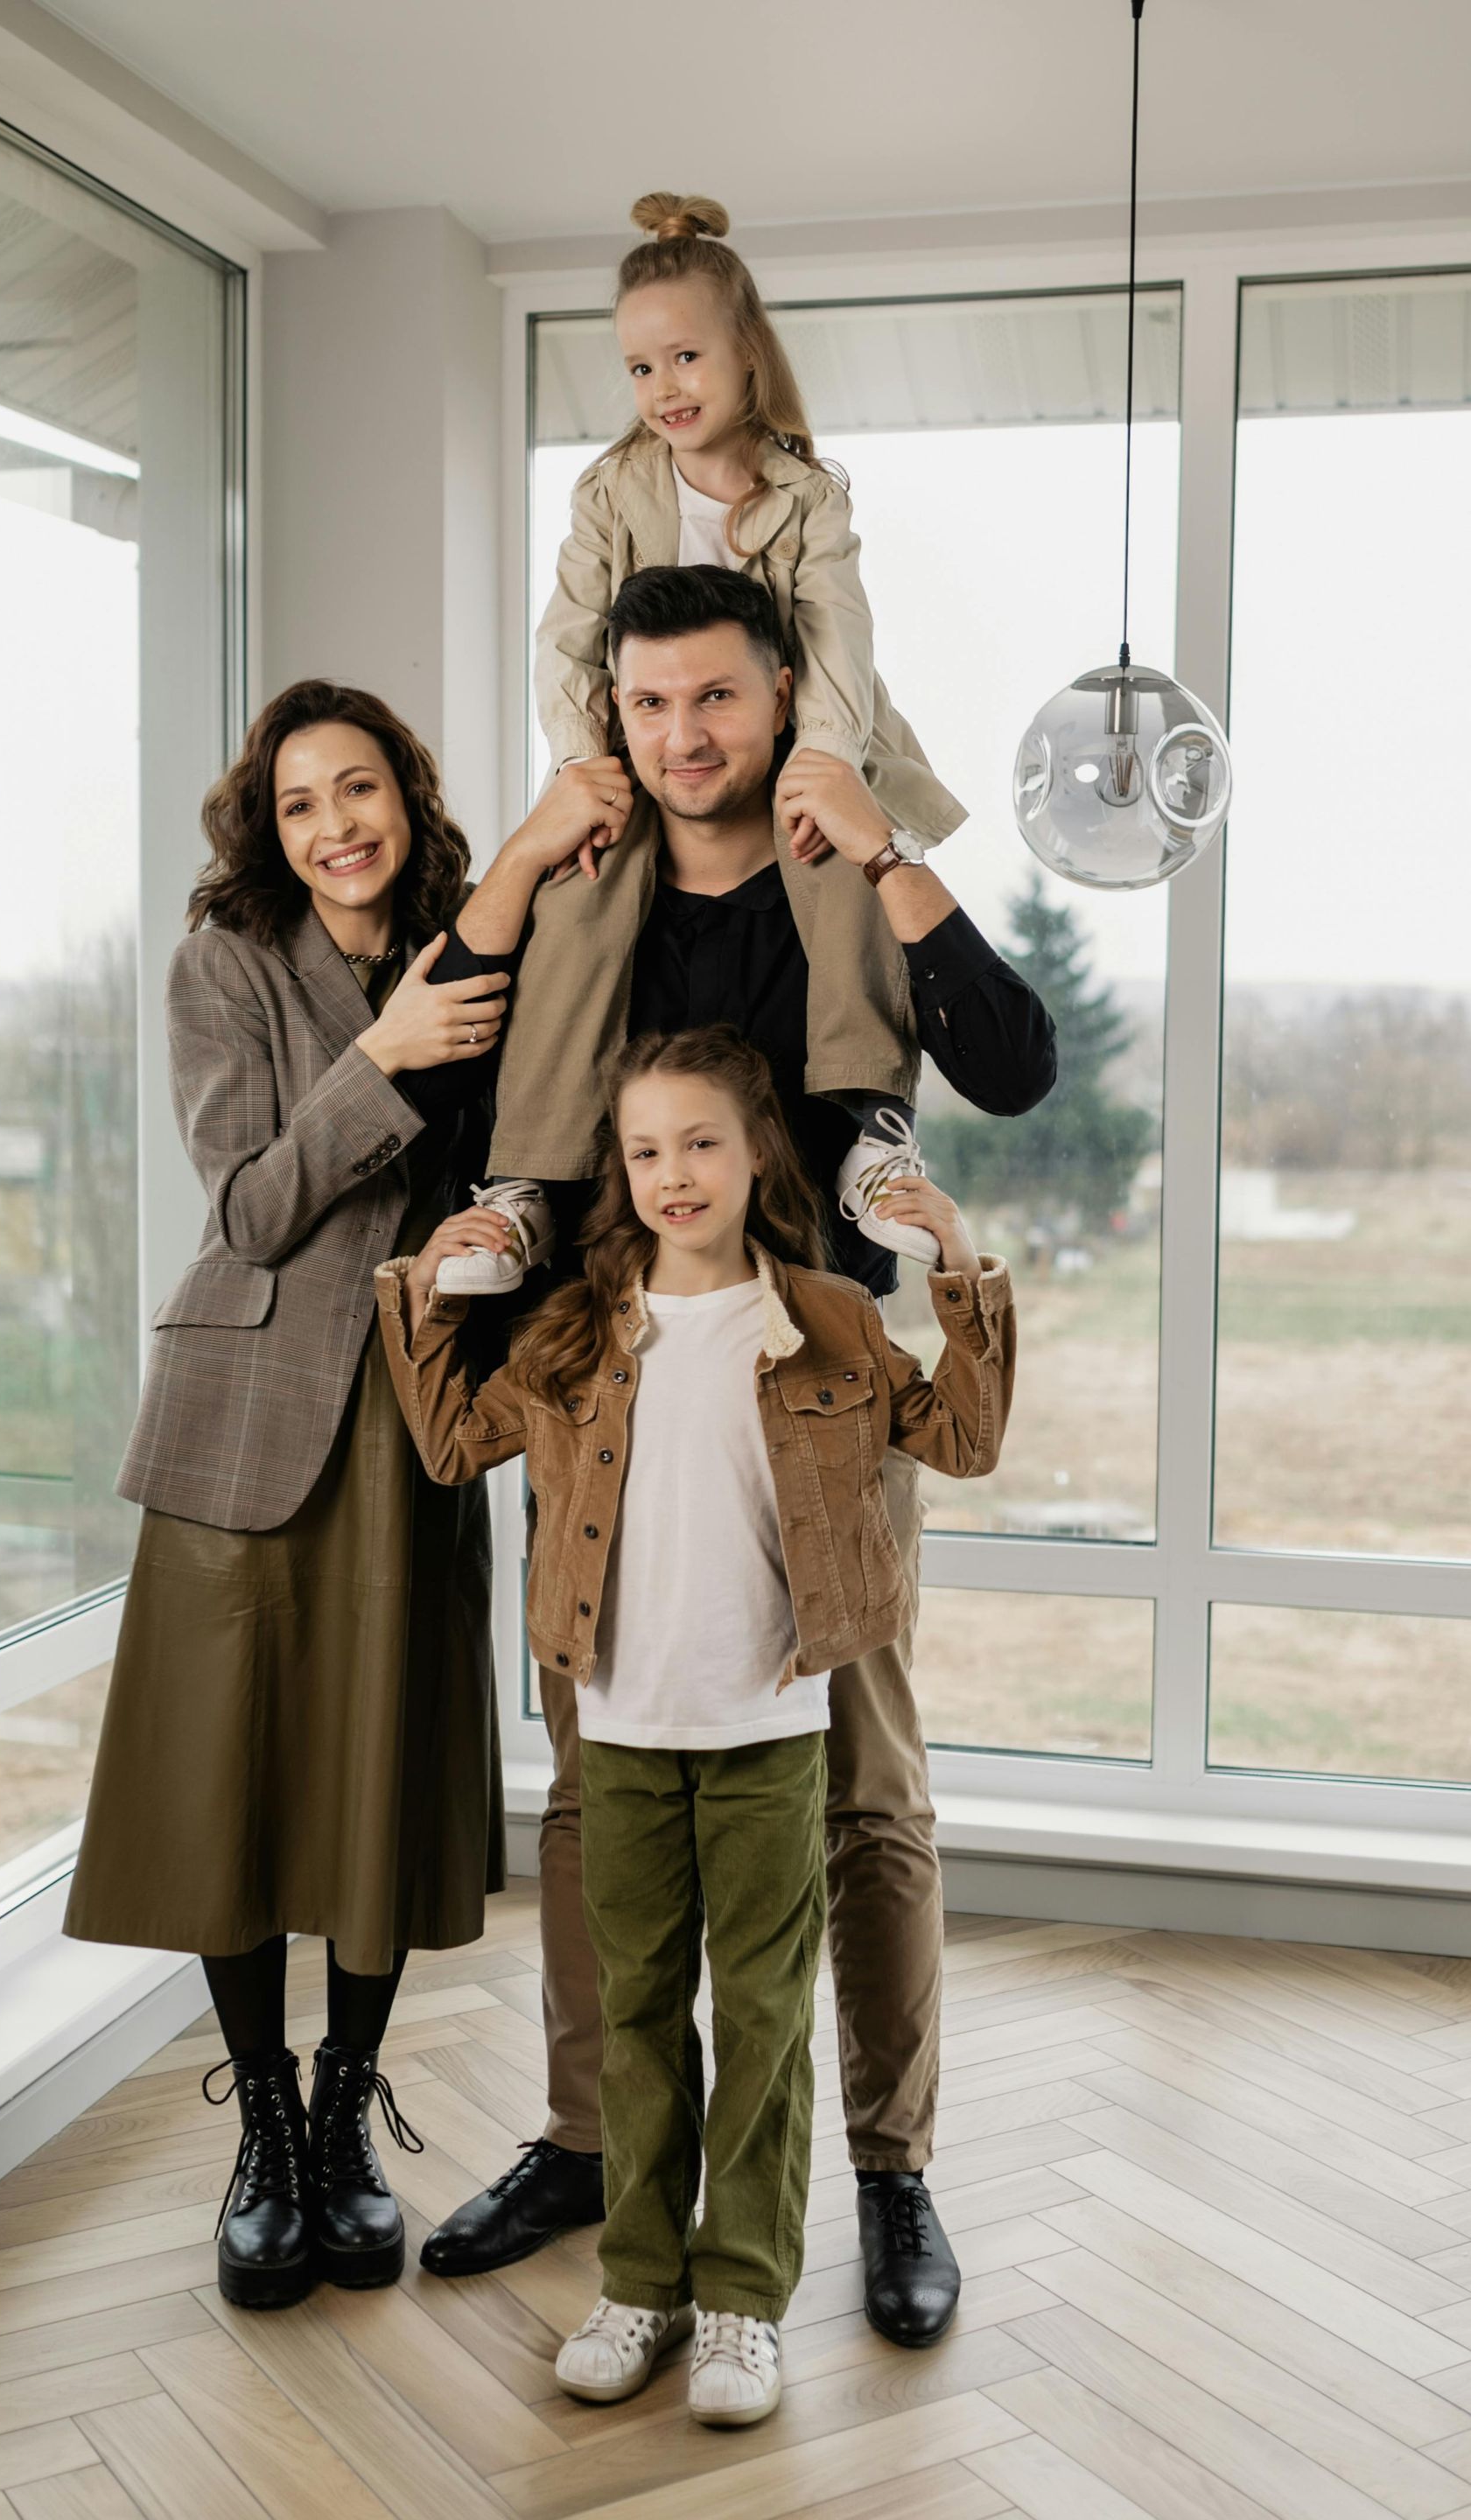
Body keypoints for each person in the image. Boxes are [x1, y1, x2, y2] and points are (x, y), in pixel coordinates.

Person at [415, 564, 1054, 2350]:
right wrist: (525, 858)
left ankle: (890, 2165)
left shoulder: (842, 875)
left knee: (865, 1796)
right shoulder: (576, 896)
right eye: (649, 706)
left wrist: (882, 843)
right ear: (610, 720)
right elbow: (442, 1097)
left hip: (817, 1393)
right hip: (611, 1380)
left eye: (717, 698)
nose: (683, 735)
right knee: (595, 1789)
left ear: (782, 698)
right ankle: (585, 2143)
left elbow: (1015, 1060)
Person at [62, 678, 626, 2309]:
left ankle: (343, 2120)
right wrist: (381, 1054)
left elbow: (528, 1169)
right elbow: (249, 1208)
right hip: (239, 1410)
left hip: (410, 1405)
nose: (336, 828)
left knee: (378, 1762)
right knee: (232, 1772)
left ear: (408, 797)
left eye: (360, 790)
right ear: (268, 823)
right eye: (302, 803)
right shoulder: (221, 965)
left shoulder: (490, 947)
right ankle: (261, 2137)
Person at [377, 1026, 1014, 2425]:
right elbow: (444, 1442)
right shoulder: (571, 1329)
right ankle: (641, 2284)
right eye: (646, 1149)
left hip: (767, 1730)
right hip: (617, 1729)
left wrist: (956, 1258)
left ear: (757, 1155)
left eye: (703, 1143)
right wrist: (428, 1282)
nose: (673, 1173)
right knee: (643, 2019)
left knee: (771, 2016)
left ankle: (740, 2305)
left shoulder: (829, 1318)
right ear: (618, 1165)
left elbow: (961, 1438)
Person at [438, 187, 974, 1298]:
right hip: (654, 756)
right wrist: (584, 769)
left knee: (836, 866)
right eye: (640, 369)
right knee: (580, 898)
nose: (664, 389)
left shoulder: (805, 496)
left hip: (801, 738)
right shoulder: (612, 490)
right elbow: (567, 641)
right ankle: (529, 1181)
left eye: (685, 358)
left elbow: (835, 636)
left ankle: (871, 1134)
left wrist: (819, 765)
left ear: (746, 358)